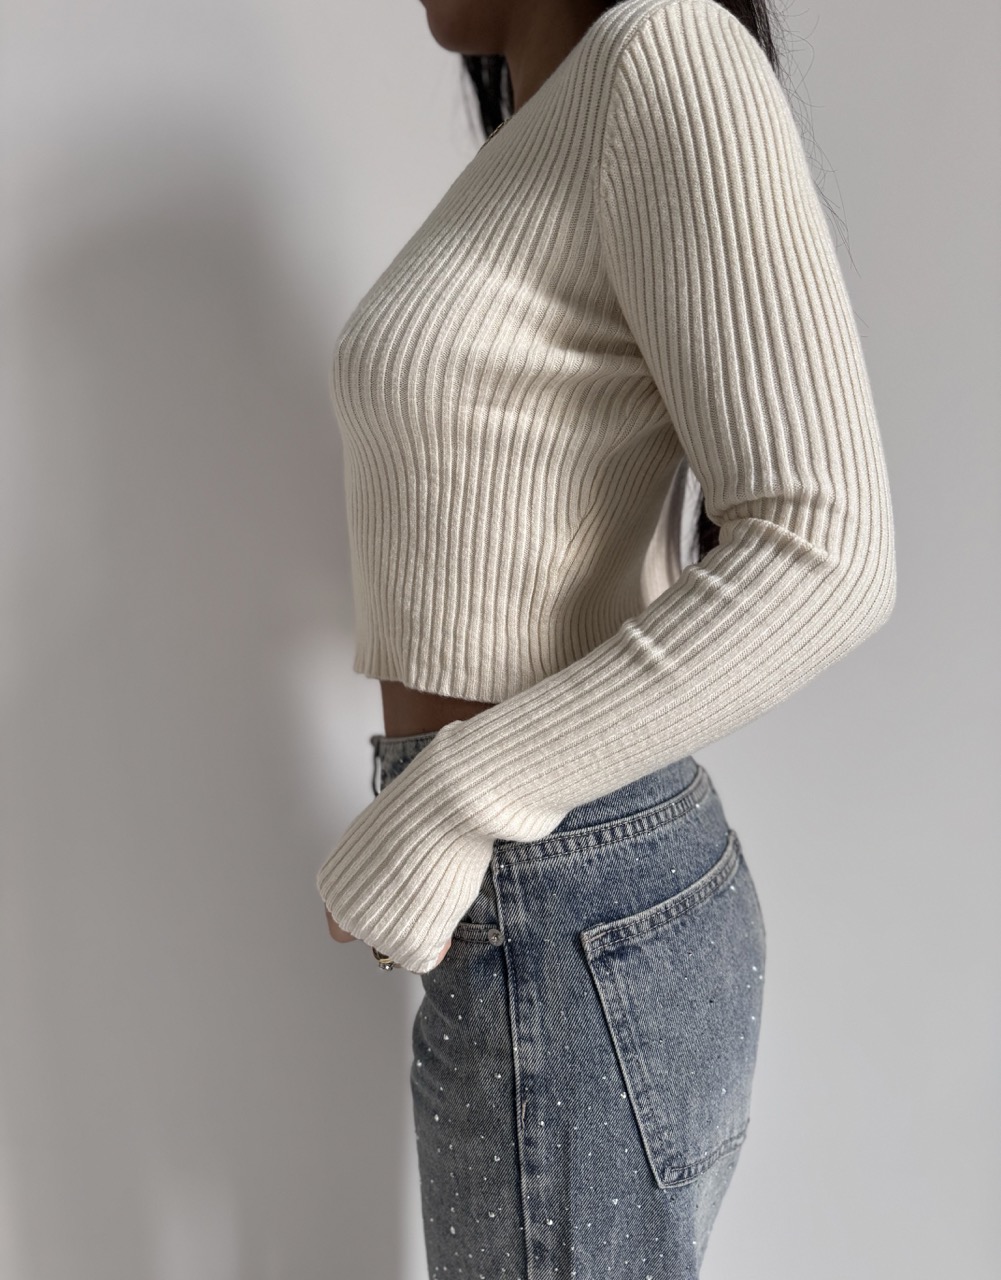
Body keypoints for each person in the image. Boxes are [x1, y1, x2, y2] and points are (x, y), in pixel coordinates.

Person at [318, 0, 897, 1274]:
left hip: (558, 884)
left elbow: (827, 548)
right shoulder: (561, 116)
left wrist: (455, 792)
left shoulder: (664, 55)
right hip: (545, 888)